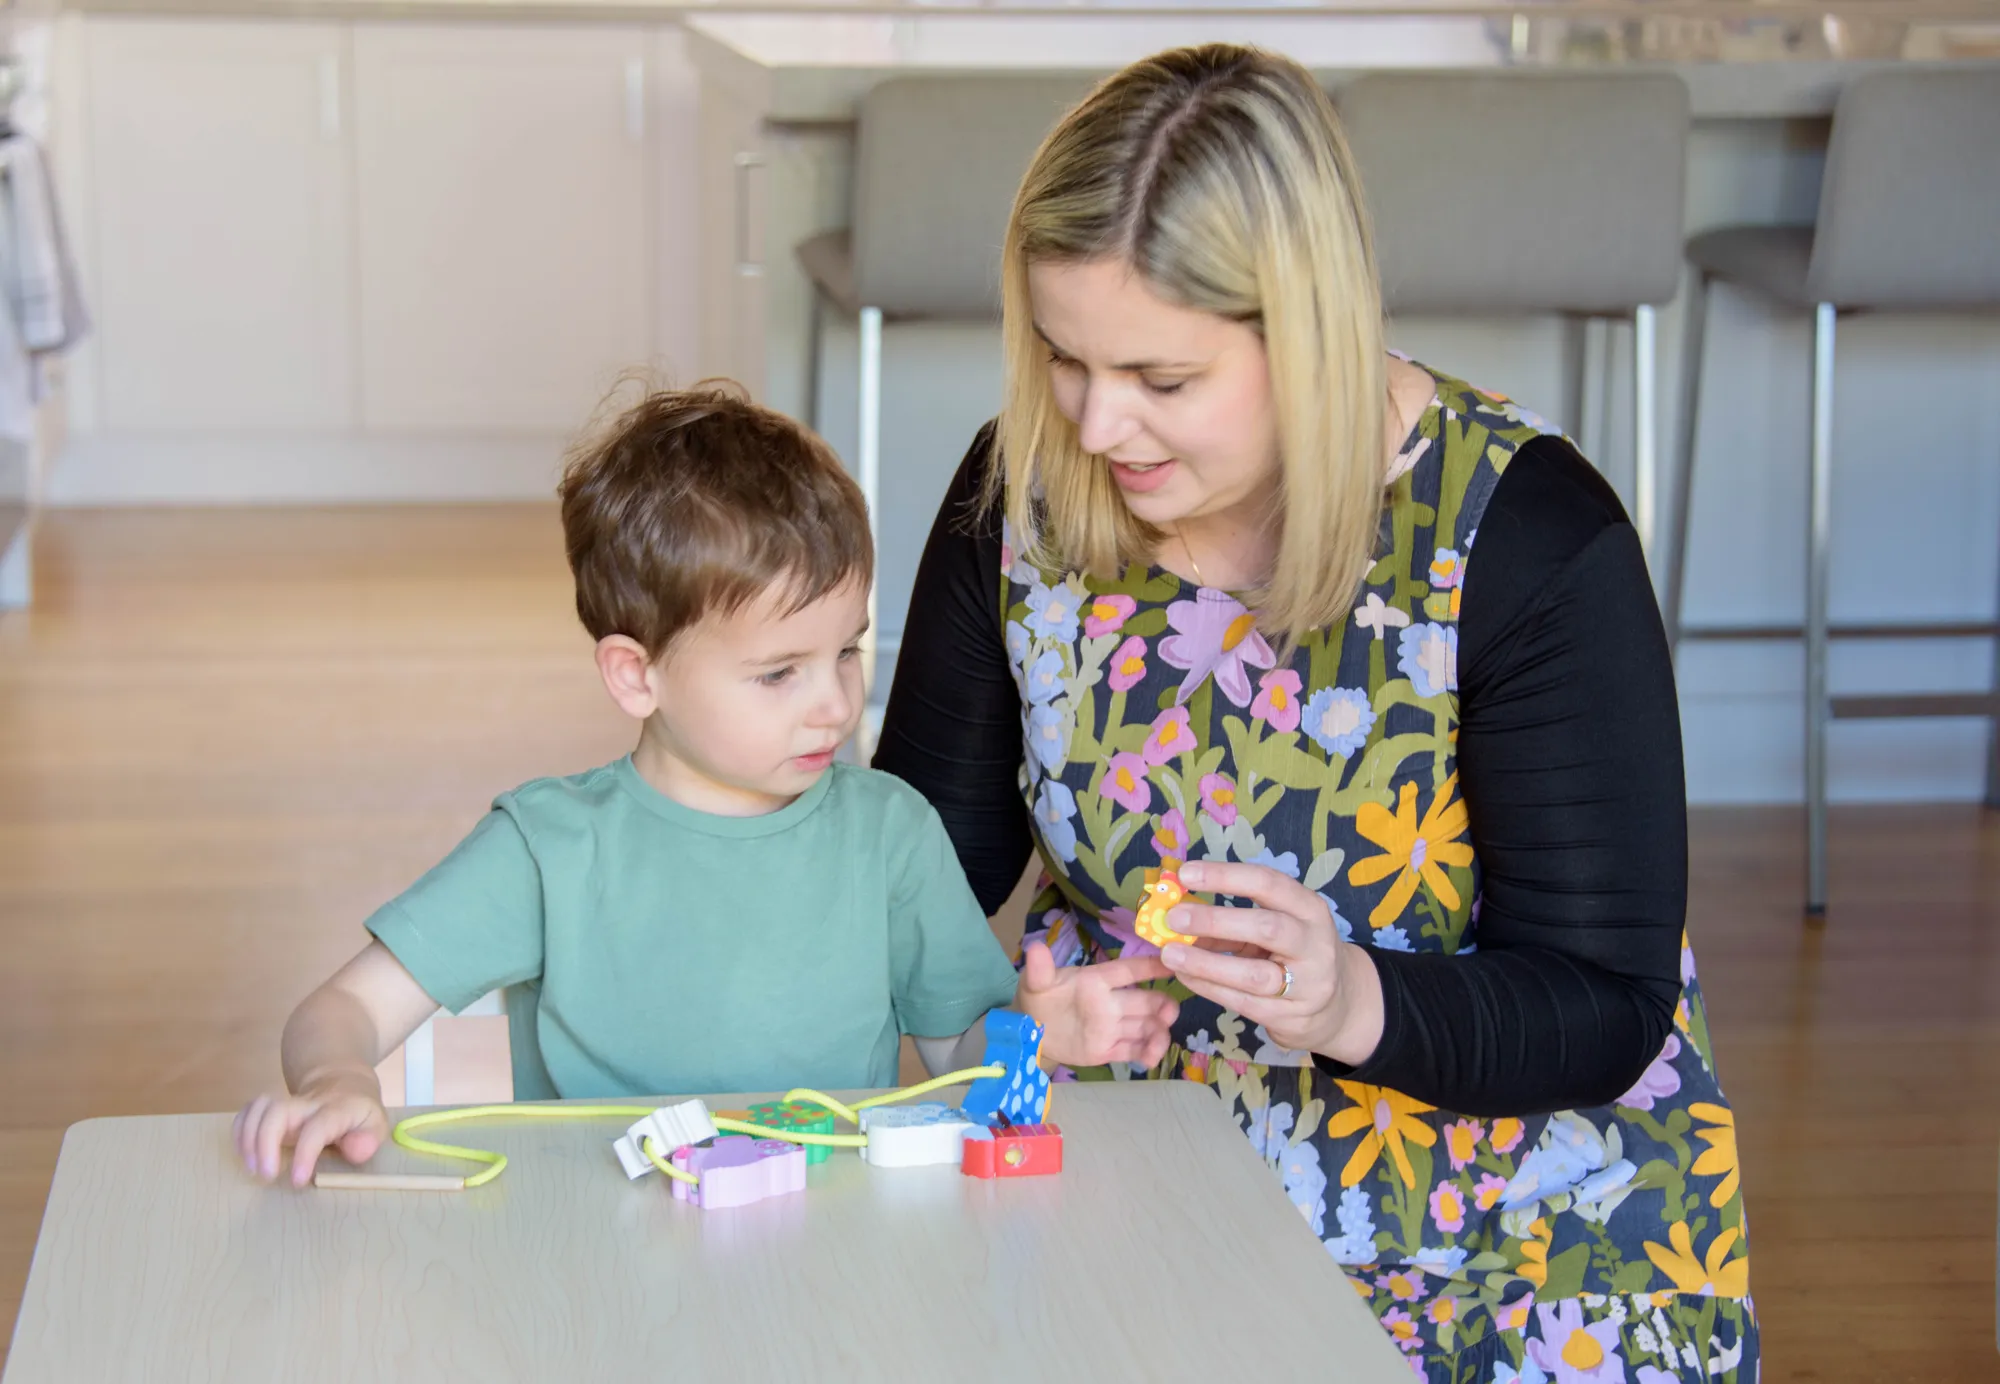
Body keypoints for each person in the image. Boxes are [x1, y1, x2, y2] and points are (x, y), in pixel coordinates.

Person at [874, 44, 1755, 1383]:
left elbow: (1604, 1001)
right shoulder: (1024, 493)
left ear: (1306, 333)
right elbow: (913, 871)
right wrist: (998, 1012)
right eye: (1063, 357)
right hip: (1139, 1181)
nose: (1097, 425)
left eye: (1162, 379)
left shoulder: (1521, 536)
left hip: (1507, 1243)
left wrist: (1352, 1000)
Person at [235, 385, 1177, 1188]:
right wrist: (334, 1081)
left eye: (846, 652)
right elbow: (340, 1011)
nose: (835, 704)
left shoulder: (890, 834)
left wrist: (1030, 1036)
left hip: (829, 1266)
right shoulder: (548, 847)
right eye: (779, 673)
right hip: (599, 1270)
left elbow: (954, 1060)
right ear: (636, 675)